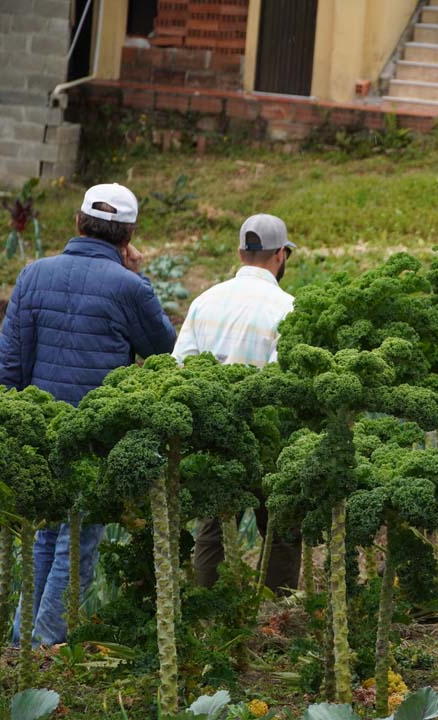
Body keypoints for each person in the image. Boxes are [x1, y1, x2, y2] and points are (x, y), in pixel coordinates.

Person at [0, 182, 177, 645]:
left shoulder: (33, 275)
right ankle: (47, 641)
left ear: (77, 223)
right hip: (95, 437)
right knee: (79, 541)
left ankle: (21, 642)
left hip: (40, 433)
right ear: (129, 233)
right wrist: (139, 277)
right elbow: (163, 353)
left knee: (46, 535)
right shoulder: (130, 287)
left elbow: (7, 366)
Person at [173, 213, 301, 593]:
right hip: (267, 438)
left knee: (213, 528)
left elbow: (180, 367)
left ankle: (207, 611)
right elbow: (287, 383)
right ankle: (278, 615)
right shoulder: (287, 307)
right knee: (280, 528)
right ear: (280, 255)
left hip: (215, 435)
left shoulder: (204, 301)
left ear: (240, 252)